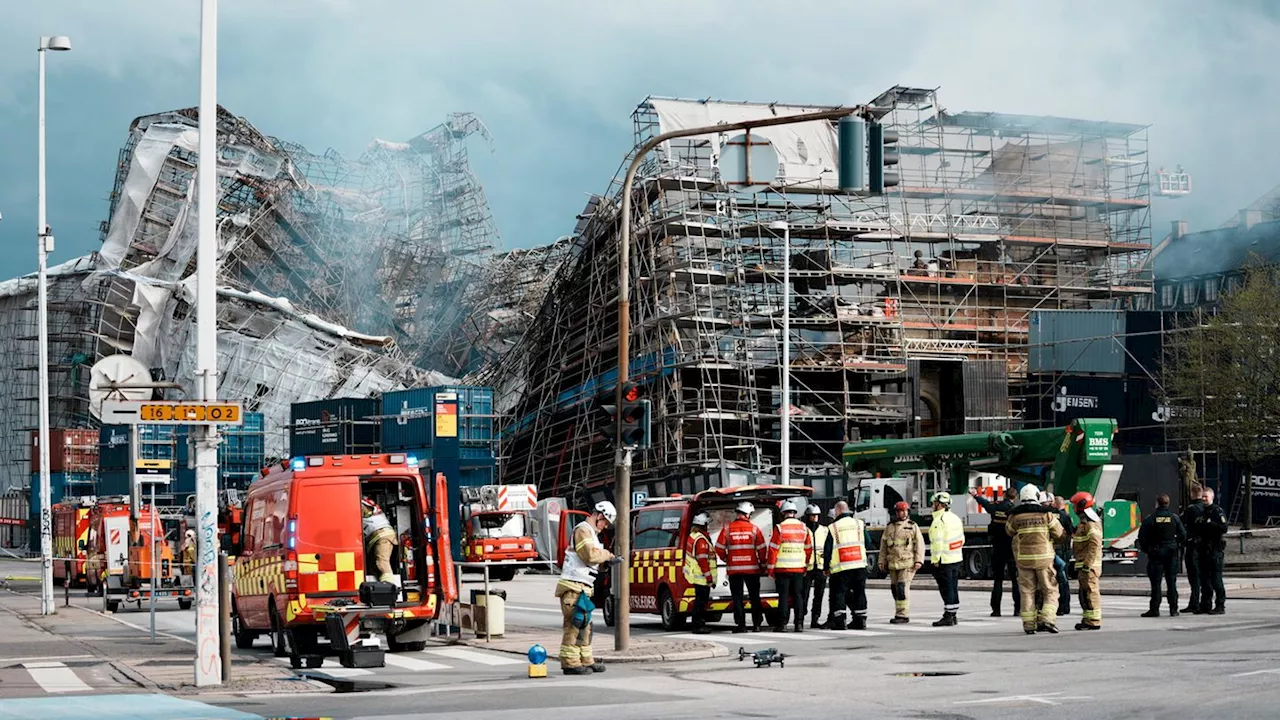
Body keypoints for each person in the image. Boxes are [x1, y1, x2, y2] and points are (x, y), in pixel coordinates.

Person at [555, 500, 616, 675]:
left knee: (585, 625)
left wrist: (606, 563)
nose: (605, 527)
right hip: (573, 586)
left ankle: (586, 659)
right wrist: (608, 555)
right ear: (600, 516)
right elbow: (589, 555)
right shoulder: (583, 530)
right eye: (605, 522)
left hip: (582, 586)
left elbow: (591, 560)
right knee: (574, 625)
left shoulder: (591, 533)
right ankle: (570, 663)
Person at [1006, 484, 1064, 634]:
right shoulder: (1046, 514)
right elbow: (1058, 532)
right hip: (1044, 559)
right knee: (1050, 590)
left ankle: (1029, 625)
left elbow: (1010, 531)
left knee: (1027, 591)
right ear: (1037, 497)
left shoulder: (1015, 516)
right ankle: (1048, 619)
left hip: (1024, 559)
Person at [715, 501, 767, 633]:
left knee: (737, 598)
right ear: (748, 514)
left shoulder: (727, 529)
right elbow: (762, 549)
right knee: (754, 597)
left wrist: (727, 558)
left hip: (734, 570)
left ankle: (741, 625)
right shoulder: (754, 529)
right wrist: (762, 565)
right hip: (752, 570)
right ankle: (757, 624)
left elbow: (719, 548)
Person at [971, 486, 1019, 617]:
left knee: (998, 580)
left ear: (1004, 496)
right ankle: (1018, 609)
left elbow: (985, 504)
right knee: (1015, 580)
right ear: (1014, 498)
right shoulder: (1014, 510)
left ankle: (996, 609)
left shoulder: (996, 508)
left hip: (997, 547)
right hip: (1011, 548)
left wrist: (976, 496)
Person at [767, 499, 814, 632]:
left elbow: (773, 549)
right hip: (799, 568)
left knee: (784, 597)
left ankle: (782, 625)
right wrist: (805, 565)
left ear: (783, 513)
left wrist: (770, 569)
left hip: (782, 569)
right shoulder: (804, 528)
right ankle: (799, 624)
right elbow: (808, 549)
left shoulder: (780, 528)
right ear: (794, 513)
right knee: (798, 596)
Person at [824, 500, 869, 630]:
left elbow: (828, 550)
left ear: (837, 511)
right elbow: (868, 542)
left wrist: (826, 567)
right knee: (860, 593)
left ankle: (840, 622)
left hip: (842, 567)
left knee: (840, 594)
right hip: (859, 565)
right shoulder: (859, 524)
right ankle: (860, 621)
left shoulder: (833, 527)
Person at [1138, 494, 1185, 618]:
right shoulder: (1174, 518)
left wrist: (1148, 549)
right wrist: (1176, 545)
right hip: (1171, 554)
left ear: (1157, 504)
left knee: (1156, 584)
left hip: (1156, 554)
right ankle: (1173, 609)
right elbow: (1183, 534)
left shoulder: (1151, 519)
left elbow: (1142, 537)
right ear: (1168, 504)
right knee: (1171, 583)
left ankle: (1154, 609)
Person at [878, 500, 924, 623]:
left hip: (907, 563)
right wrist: (881, 561)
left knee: (902, 588)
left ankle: (902, 615)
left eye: (905, 511)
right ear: (896, 512)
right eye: (900, 511)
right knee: (895, 588)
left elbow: (920, 544)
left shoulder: (912, 526)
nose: (903, 513)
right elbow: (883, 546)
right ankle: (899, 612)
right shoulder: (889, 527)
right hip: (893, 564)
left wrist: (919, 560)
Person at [928, 492, 965, 627]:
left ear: (939, 504)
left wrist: (935, 560)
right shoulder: (955, 518)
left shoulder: (939, 521)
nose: (932, 506)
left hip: (944, 560)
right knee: (953, 587)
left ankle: (948, 616)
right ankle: (953, 614)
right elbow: (962, 539)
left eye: (934, 503)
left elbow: (938, 543)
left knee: (946, 588)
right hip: (956, 558)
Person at [1070, 492, 1103, 631]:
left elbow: (1094, 543)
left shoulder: (1091, 524)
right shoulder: (1084, 523)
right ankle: (1088, 619)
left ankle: (1093, 620)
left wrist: (1087, 564)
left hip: (1089, 566)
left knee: (1090, 592)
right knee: (1085, 593)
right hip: (1084, 565)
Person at [1195, 488, 1228, 615]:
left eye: (1206, 497)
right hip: (1203, 550)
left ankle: (1220, 605)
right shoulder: (1201, 512)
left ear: (1212, 497)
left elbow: (1224, 528)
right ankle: (1205, 605)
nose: (1204, 499)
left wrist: (1211, 525)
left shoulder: (1217, 512)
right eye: (1202, 497)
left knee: (1216, 579)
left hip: (1214, 550)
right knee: (1204, 580)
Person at [683, 512, 716, 634]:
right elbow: (702, 560)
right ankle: (697, 626)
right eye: (707, 525)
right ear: (703, 525)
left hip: (696, 575)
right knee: (701, 602)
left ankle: (698, 624)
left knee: (699, 601)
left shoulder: (693, 536)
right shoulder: (701, 540)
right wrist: (709, 577)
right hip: (701, 577)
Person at [1179, 484, 1206, 613]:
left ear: (1192, 494)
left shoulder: (1191, 509)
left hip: (1192, 546)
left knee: (1194, 577)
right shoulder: (1207, 508)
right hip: (1205, 547)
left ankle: (1194, 603)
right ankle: (1205, 603)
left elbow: (1180, 522)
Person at [802, 504, 828, 629]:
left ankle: (815, 619)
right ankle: (801, 616)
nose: (815, 518)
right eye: (812, 515)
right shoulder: (803, 530)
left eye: (816, 515)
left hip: (820, 567)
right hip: (807, 567)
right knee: (804, 595)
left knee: (819, 595)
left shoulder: (824, 530)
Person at [361, 497, 398, 582]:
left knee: (381, 563)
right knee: (374, 567)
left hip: (382, 535)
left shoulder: (360, 504)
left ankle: (389, 587)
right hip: (378, 537)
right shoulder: (366, 502)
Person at [1052, 496, 1075, 616]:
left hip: (1058, 550)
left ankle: (1061, 607)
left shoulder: (1054, 516)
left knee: (1059, 579)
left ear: (1056, 503)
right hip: (1065, 550)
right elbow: (1072, 531)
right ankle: (1066, 606)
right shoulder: (1066, 516)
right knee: (1064, 579)